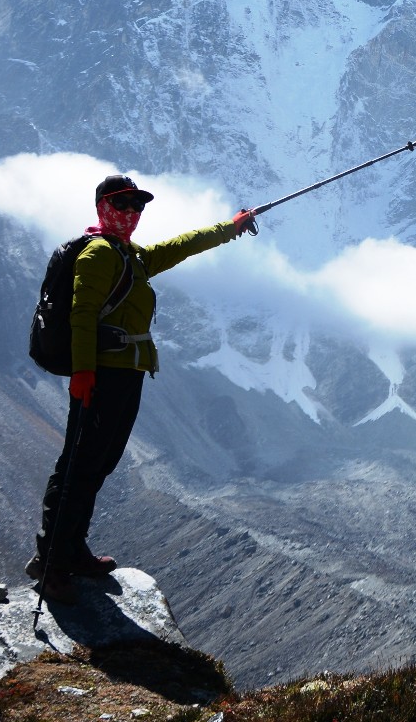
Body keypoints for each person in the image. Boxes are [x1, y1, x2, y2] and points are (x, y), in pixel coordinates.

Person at [30, 173, 258, 603]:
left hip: (124, 374)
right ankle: (52, 562)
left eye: (137, 205)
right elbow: (81, 316)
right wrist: (82, 374)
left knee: (98, 463)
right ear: (102, 207)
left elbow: (180, 246)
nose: (131, 213)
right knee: (79, 464)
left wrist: (228, 229)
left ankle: (72, 550)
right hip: (101, 375)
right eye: (123, 204)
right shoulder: (98, 254)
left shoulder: (129, 255)